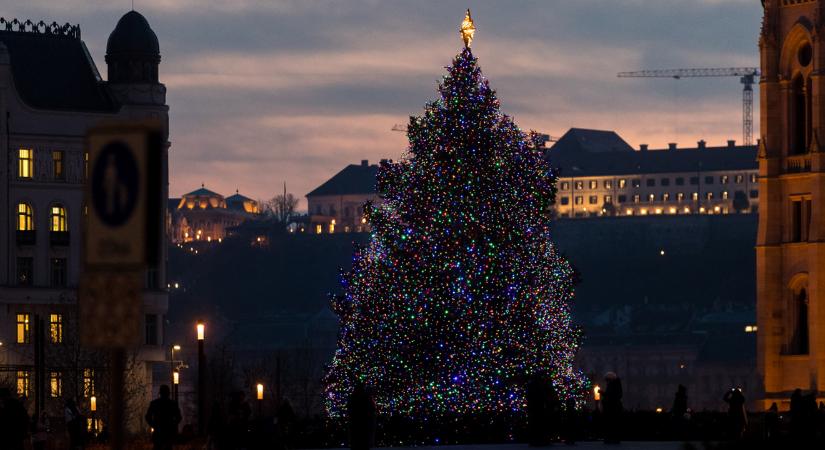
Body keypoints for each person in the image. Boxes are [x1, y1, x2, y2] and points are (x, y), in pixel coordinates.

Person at [145, 385, 182, 450]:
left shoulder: (154, 403)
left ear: (160, 393)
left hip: (158, 431)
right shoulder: (173, 404)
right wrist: (173, 425)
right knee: (168, 447)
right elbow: (179, 417)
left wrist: (153, 425)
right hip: (169, 432)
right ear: (168, 393)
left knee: (157, 447)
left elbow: (148, 417)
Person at [347, 382, 376, 450]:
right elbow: (372, 409)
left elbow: (349, 409)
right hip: (364, 423)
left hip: (355, 422)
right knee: (364, 442)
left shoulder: (353, 397)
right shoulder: (367, 397)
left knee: (356, 442)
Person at [601, 372, 623, 444]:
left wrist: (602, 393)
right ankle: (613, 438)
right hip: (614, 408)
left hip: (612, 408)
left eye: (607, 380)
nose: (606, 382)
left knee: (612, 424)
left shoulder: (613, 385)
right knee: (613, 424)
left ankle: (611, 439)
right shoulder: (616, 384)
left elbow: (610, 395)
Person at [526, 374, 548, 446]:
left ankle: (535, 440)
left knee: (535, 423)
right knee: (538, 423)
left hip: (535, 407)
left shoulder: (531, 385)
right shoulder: (540, 385)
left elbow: (528, 396)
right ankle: (538, 440)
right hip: (538, 406)